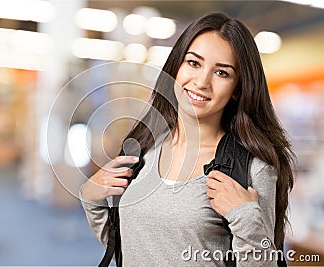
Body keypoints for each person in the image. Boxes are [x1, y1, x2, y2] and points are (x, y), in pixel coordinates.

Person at [80, 12, 295, 266]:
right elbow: (133, 250)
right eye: (194, 63)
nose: (202, 82)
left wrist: (245, 217)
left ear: (237, 89)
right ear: (176, 67)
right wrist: (91, 200)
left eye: (222, 73)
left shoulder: (253, 169)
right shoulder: (144, 151)